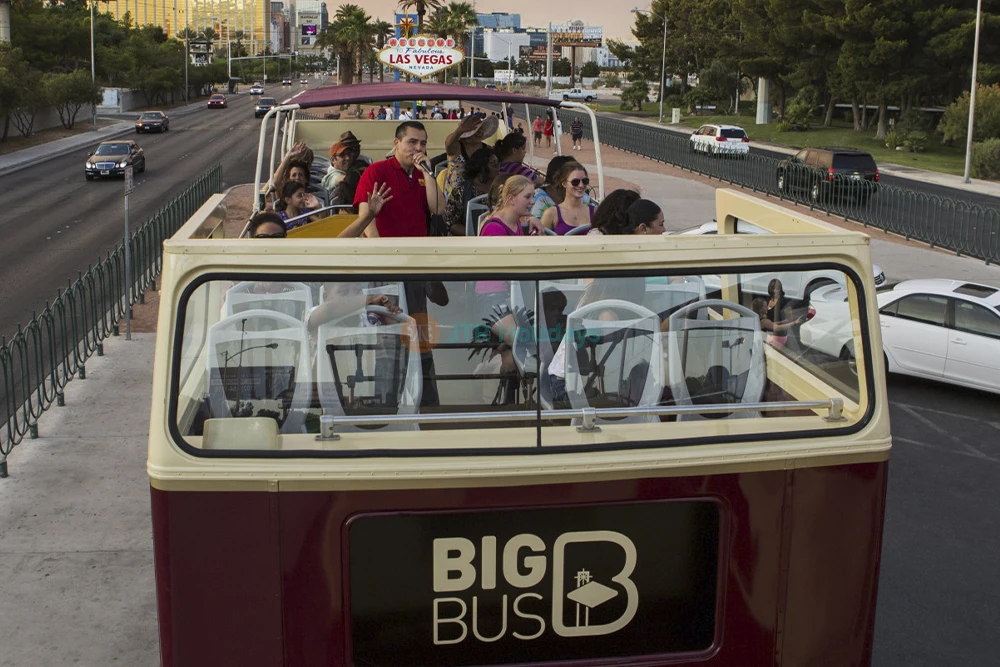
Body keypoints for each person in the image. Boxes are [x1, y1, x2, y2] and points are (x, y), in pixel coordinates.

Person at [352, 121, 443, 237]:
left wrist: (427, 173)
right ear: (396, 143)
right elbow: (365, 214)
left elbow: (439, 209)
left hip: (418, 247)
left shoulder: (423, 173)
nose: (419, 148)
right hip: (386, 247)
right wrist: (376, 246)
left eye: (423, 143)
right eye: (412, 142)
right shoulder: (376, 171)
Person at [443, 146, 499, 236]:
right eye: (493, 164)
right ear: (481, 167)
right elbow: (450, 222)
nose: (498, 167)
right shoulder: (462, 190)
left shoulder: (501, 188)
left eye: (498, 163)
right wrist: (475, 234)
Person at [540, 161, 594, 235]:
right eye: (575, 182)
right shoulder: (550, 213)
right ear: (564, 183)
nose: (581, 185)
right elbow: (541, 243)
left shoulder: (595, 212)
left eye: (585, 181)